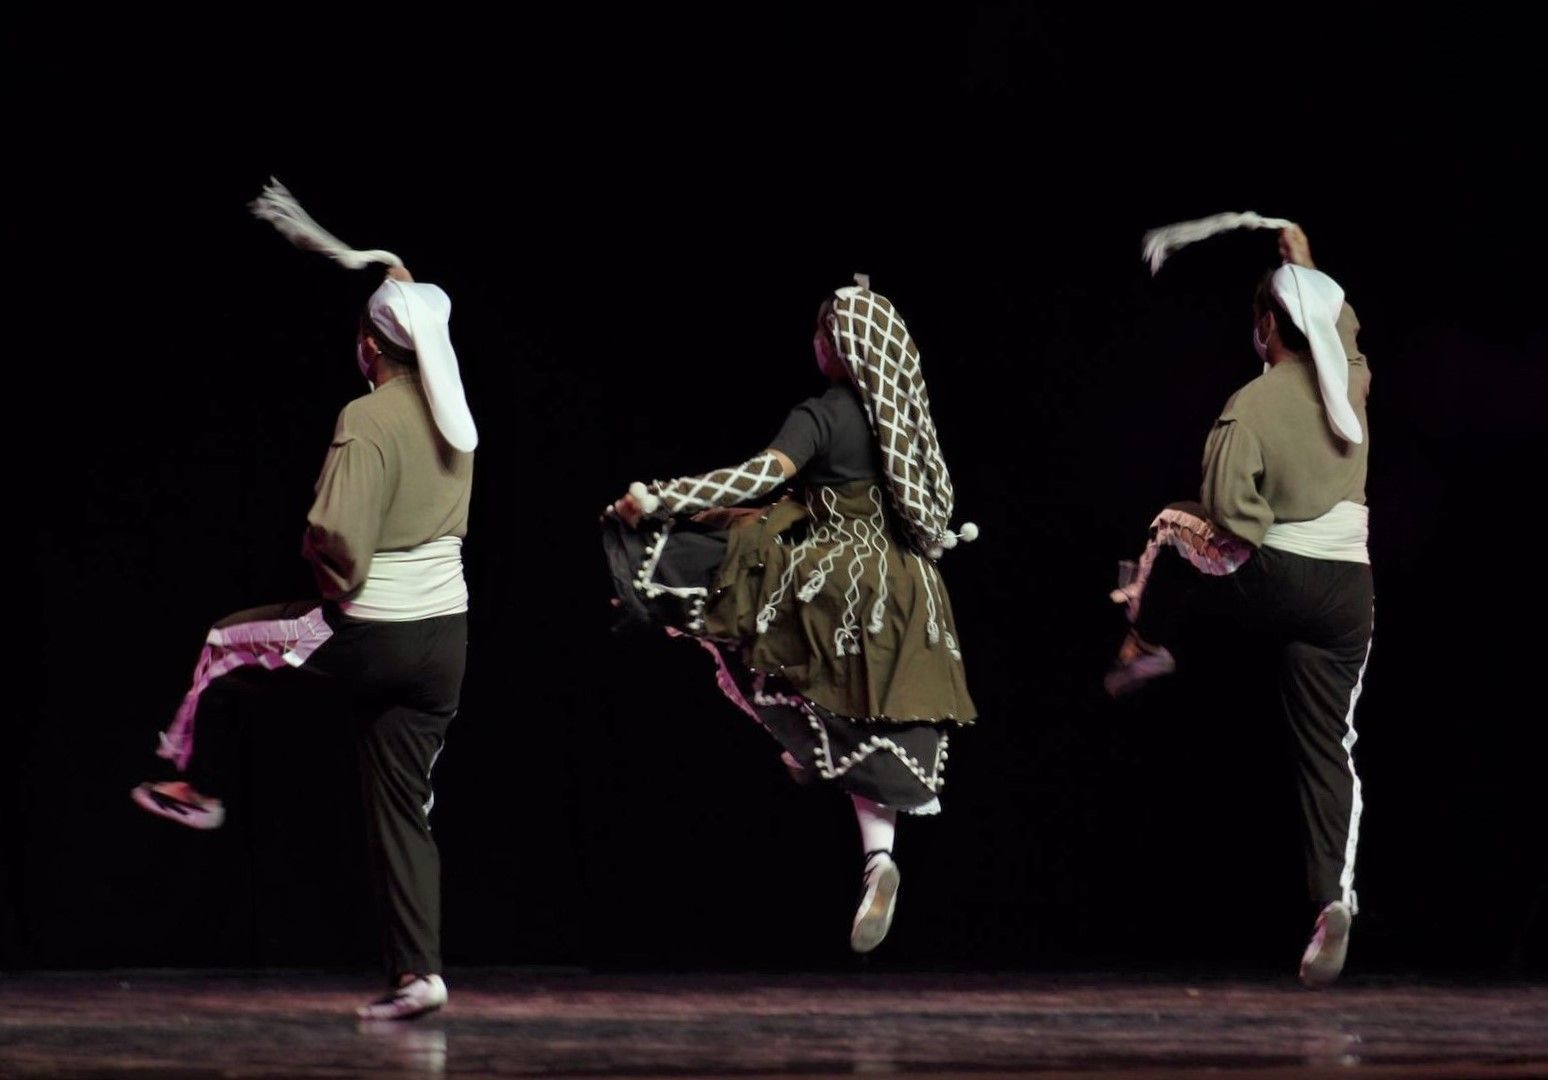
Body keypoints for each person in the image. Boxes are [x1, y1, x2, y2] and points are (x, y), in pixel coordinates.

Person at [132, 181, 477, 1019]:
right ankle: (419, 975)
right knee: (404, 810)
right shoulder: (455, 416)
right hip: (446, 645)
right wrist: (380, 266)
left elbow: (339, 543)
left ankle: (193, 783)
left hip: (374, 631)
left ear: (368, 346)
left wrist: (325, 586)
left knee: (222, 643)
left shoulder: (368, 418)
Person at [602, 278, 978, 953]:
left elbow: (757, 477)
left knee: (742, 626)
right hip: (907, 591)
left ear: (835, 346)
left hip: (834, 580)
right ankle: (878, 859)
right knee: (874, 721)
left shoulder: (825, 412)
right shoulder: (901, 422)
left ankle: (808, 751)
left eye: (819, 333)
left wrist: (663, 497)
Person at [1108, 222, 1373, 987]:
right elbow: (1335, 315)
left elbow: (1230, 512)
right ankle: (1335, 901)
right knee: (1331, 749)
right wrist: (1298, 247)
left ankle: (1146, 642)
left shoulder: (1251, 404)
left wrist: (1244, 536)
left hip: (1274, 580)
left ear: (1265, 328)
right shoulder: (1352, 376)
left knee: (1171, 524)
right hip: (1348, 598)